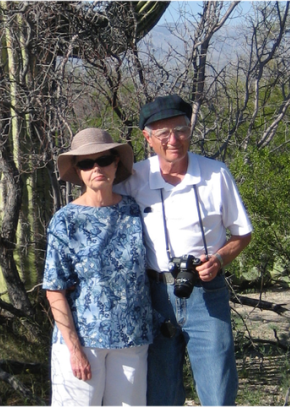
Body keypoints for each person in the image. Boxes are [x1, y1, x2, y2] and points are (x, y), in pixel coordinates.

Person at [114, 95, 253, 407]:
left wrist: (219, 259)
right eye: (163, 133)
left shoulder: (216, 174)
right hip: (154, 296)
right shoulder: (133, 179)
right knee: (160, 394)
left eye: (180, 130)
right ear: (147, 138)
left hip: (206, 293)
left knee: (218, 392)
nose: (173, 140)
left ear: (190, 130)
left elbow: (242, 233)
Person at [43, 128, 153, 407]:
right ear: (78, 171)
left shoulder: (134, 211)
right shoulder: (65, 220)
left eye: (103, 160)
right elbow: (54, 290)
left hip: (132, 341)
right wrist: (74, 350)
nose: (97, 168)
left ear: (116, 163)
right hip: (84, 342)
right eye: (86, 163)